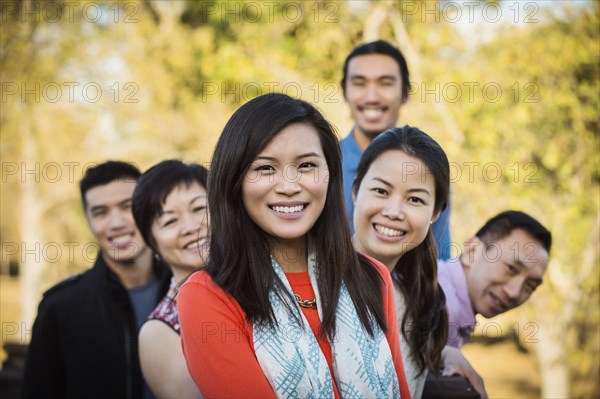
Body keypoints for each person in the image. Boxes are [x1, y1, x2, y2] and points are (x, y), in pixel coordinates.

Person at [178, 93, 411, 398]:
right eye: (265, 168)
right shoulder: (208, 296)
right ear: (234, 181)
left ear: (330, 175)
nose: (289, 186)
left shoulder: (371, 277)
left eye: (306, 166)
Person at [23, 161, 171, 399]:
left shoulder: (187, 292)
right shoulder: (59, 308)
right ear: (89, 222)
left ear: (147, 209)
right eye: (100, 212)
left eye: (127, 206)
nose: (116, 222)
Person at [351, 126, 450, 398]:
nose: (393, 212)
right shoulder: (307, 279)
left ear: (436, 212)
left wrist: (448, 354)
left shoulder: (420, 307)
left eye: (415, 199)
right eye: (381, 191)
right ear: (356, 192)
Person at [340, 40, 452, 259]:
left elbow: (437, 259)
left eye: (385, 83)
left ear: (405, 93)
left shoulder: (429, 171)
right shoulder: (320, 165)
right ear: (344, 92)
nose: (372, 97)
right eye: (360, 83)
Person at [132, 160, 209, 399]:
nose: (190, 227)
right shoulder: (158, 334)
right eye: (169, 221)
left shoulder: (269, 280)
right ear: (153, 244)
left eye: (199, 208)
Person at [438, 210, 552, 349]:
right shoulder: (439, 305)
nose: (514, 292)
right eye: (511, 268)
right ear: (472, 251)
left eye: (530, 286)